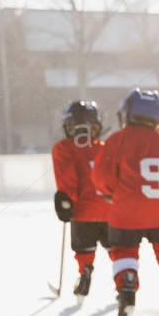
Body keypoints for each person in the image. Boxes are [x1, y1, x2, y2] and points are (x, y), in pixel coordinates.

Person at [90, 89, 159, 316]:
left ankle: (127, 289)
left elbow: (101, 177)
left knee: (125, 252)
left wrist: (112, 193)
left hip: (127, 213)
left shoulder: (116, 141)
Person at [51, 100, 111, 303]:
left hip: (83, 212)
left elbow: (68, 181)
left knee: (84, 251)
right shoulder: (105, 147)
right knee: (119, 251)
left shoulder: (63, 148)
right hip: (110, 211)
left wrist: (66, 202)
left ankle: (85, 273)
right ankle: (126, 282)